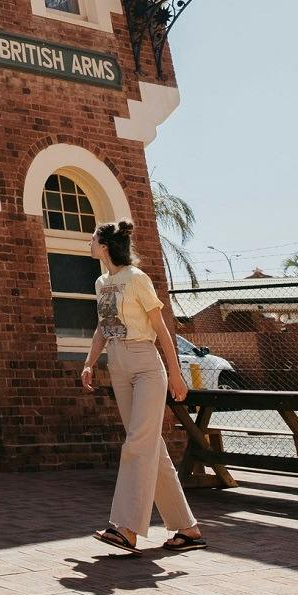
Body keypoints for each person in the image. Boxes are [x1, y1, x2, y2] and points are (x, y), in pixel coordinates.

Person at [82, 219, 207, 555]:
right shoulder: (101, 282)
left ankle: (126, 527)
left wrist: (176, 373)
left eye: (93, 239)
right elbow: (102, 326)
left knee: (137, 442)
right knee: (150, 445)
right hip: (118, 364)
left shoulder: (137, 279)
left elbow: (161, 327)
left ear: (104, 246)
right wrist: (90, 362)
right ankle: (188, 529)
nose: (89, 243)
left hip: (146, 364)